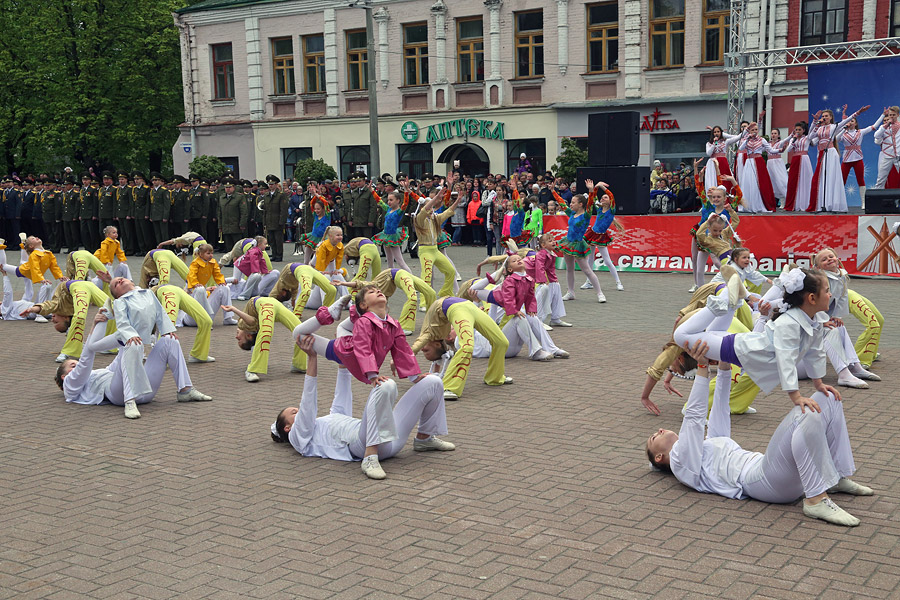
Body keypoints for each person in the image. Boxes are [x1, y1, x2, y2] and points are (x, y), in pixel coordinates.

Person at [646, 349, 871, 527]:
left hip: (770, 473)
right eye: (653, 437)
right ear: (658, 457)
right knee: (805, 413)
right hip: (761, 480)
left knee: (828, 397)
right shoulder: (681, 464)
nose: (660, 430)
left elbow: (720, 409)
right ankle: (815, 500)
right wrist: (702, 367)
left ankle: (833, 477)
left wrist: (724, 367)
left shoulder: (704, 449)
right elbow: (694, 419)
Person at [271, 335, 454, 480]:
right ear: (287, 427)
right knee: (386, 385)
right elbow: (308, 403)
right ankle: (370, 458)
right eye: (293, 412)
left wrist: (342, 357)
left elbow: (341, 400)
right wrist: (312, 358)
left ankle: (424, 439)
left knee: (433, 382)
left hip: (388, 441)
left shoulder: (325, 421)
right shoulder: (298, 439)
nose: (299, 411)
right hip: (362, 445)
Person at [57, 311, 211, 420]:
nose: (76, 366)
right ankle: (129, 402)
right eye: (72, 365)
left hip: (143, 392)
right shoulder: (71, 386)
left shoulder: (97, 373)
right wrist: (95, 325)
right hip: (119, 396)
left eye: (74, 363)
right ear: (65, 376)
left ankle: (185, 390)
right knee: (128, 342)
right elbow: (86, 360)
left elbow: (119, 360)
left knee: (169, 341)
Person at [467, 255, 568, 361]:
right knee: (473, 290)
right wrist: (515, 311)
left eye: (519, 259)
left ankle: (552, 348)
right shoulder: (510, 281)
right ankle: (536, 351)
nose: (518, 260)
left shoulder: (529, 279)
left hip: (507, 337)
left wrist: (531, 309)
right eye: (514, 261)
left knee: (532, 317)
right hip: (498, 299)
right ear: (510, 269)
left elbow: (530, 297)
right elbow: (508, 298)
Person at [412, 296, 512, 400]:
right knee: (468, 346)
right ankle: (449, 387)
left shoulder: (427, 334)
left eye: (425, 351)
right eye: (426, 351)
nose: (422, 349)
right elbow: (438, 360)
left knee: (501, 342)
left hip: (464, 305)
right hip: (459, 308)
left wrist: (397, 360)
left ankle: (495, 377)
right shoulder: (433, 336)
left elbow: (415, 348)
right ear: (437, 345)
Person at [223, 295, 307, 382]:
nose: (236, 336)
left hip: (269, 303)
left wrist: (234, 309)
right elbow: (251, 321)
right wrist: (234, 309)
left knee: (300, 331)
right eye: (239, 340)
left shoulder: (243, 326)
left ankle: (299, 364)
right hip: (269, 304)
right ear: (249, 336)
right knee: (298, 331)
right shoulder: (247, 327)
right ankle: (251, 370)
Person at [808, 107, 869, 212]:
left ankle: (833, 204)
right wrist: (815, 122)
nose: (824, 118)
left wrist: (858, 112)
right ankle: (823, 204)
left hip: (831, 153)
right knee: (821, 178)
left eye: (826, 116)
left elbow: (845, 121)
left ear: (831, 117)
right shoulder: (819, 128)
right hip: (822, 154)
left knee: (832, 178)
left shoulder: (834, 126)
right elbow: (810, 136)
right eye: (823, 116)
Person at [344, 268, 436, 335]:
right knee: (415, 297)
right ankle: (404, 327)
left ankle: (431, 320)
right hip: (402, 274)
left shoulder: (374, 285)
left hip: (400, 274)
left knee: (430, 293)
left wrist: (343, 283)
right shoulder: (381, 298)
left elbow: (361, 284)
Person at [552, 188, 605, 303]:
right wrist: (553, 191)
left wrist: (591, 191)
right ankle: (570, 292)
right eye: (571, 202)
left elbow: (590, 204)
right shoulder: (571, 213)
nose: (570, 204)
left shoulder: (586, 216)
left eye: (573, 202)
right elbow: (561, 203)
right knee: (569, 269)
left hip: (578, 245)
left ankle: (600, 293)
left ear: (580, 204)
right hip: (568, 243)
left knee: (586, 270)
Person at [415, 175, 460, 298]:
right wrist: (438, 195)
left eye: (432, 208)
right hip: (425, 250)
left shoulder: (435, 218)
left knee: (451, 271)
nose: (431, 210)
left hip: (435, 249)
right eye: (428, 208)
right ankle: (425, 301)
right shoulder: (419, 219)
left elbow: (448, 211)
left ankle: (446, 292)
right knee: (427, 276)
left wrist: (458, 199)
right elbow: (426, 209)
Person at [154, 282, 215, 363]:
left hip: (178, 290)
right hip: (167, 291)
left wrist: (192, 284)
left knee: (206, 321)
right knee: (168, 328)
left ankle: (198, 354)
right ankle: (160, 360)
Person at [582, 179, 624, 292]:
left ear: (610, 201)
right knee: (589, 259)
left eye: (605, 197)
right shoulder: (599, 208)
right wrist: (595, 187)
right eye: (602, 197)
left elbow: (611, 194)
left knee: (607, 261)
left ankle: (618, 282)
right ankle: (588, 281)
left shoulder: (611, 210)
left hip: (601, 237)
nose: (602, 198)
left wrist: (601, 186)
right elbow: (594, 196)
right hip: (592, 234)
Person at [838, 107, 883, 209]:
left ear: (856, 123)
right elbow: (835, 139)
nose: (850, 122)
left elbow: (874, 126)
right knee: (842, 181)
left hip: (858, 159)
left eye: (852, 121)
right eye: (848, 121)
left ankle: (864, 203)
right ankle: (840, 202)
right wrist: (843, 128)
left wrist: (883, 115)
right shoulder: (843, 134)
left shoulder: (860, 132)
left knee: (860, 180)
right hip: (846, 160)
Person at [186, 243, 235, 326]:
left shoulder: (213, 262)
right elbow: (191, 275)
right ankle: (203, 321)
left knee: (225, 288)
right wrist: (195, 284)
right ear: (200, 254)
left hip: (203, 289)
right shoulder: (195, 263)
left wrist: (221, 282)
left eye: (212, 253)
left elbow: (217, 274)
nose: (211, 255)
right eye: (208, 253)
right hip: (193, 291)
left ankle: (228, 318)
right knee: (200, 289)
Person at [269, 262, 336, 319]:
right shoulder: (293, 287)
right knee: (332, 289)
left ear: (282, 293)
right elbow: (293, 299)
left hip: (299, 269)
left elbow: (272, 295)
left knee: (330, 290)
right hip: (305, 269)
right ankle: (324, 312)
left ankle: (323, 312)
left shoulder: (280, 284)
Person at [737, 121, 778, 212]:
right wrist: (747, 139)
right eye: (752, 130)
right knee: (748, 182)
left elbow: (771, 150)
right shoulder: (745, 140)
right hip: (749, 162)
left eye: (756, 129)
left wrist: (780, 150)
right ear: (749, 131)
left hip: (759, 162)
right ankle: (748, 204)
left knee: (759, 183)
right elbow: (740, 148)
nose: (755, 131)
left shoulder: (762, 140)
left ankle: (759, 204)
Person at [373, 190, 413, 272]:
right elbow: (379, 201)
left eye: (391, 200)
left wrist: (406, 191)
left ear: (398, 200)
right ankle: (391, 279)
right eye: (388, 200)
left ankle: (411, 279)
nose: (389, 202)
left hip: (393, 236)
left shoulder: (399, 211)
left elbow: (405, 203)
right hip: (385, 235)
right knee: (389, 262)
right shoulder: (388, 209)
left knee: (400, 262)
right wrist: (371, 190)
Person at [704, 126, 741, 194]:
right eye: (714, 132)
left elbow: (737, 137)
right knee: (713, 181)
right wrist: (714, 144)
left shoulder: (726, 142)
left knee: (725, 180)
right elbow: (709, 153)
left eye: (718, 131)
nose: (716, 133)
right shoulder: (709, 143)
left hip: (723, 163)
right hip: (713, 163)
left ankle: (726, 197)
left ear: (721, 133)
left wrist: (747, 130)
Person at [872, 106, 900, 191]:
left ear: (898, 115)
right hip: (887, 156)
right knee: (881, 179)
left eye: (893, 115)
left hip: (898, 156)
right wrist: (886, 125)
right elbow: (876, 136)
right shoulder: (884, 127)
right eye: (890, 115)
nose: (891, 116)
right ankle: (877, 201)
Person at [262, 174, 288, 262]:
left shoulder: (281, 195)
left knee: (278, 240)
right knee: (271, 240)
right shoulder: (266, 195)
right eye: (269, 184)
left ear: (276, 185)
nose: (270, 186)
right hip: (269, 220)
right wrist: (264, 221)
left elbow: (283, 210)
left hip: (277, 221)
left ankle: (279, 255)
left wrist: (282, 221)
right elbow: (265, 209)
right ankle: (274, 254)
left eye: (272, 184)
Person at [297, 194, 330, 264]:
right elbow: (312, 203)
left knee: (317, 258)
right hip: (312, 237)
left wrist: (316, 194)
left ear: (323, 209)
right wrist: (314, 194)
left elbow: (326, 203)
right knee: (306, 256)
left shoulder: (327, 217)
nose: (316, 211)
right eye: (315, 209)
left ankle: (315, 270)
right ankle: (305, 268)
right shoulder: (315, 215)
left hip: (322, 239)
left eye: (318, 209)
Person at [218, 178, 247, 249]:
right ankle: (230, 259)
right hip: (226, 225)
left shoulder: (239, 197)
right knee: (228, 246)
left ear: (234, 187)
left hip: (236, 225)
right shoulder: (222, 198)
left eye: (230, 187)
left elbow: (244, 212)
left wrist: (242, 224)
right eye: (226, 187)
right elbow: (220, 212)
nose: (228, 189)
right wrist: (220, 226)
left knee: (237, 247)